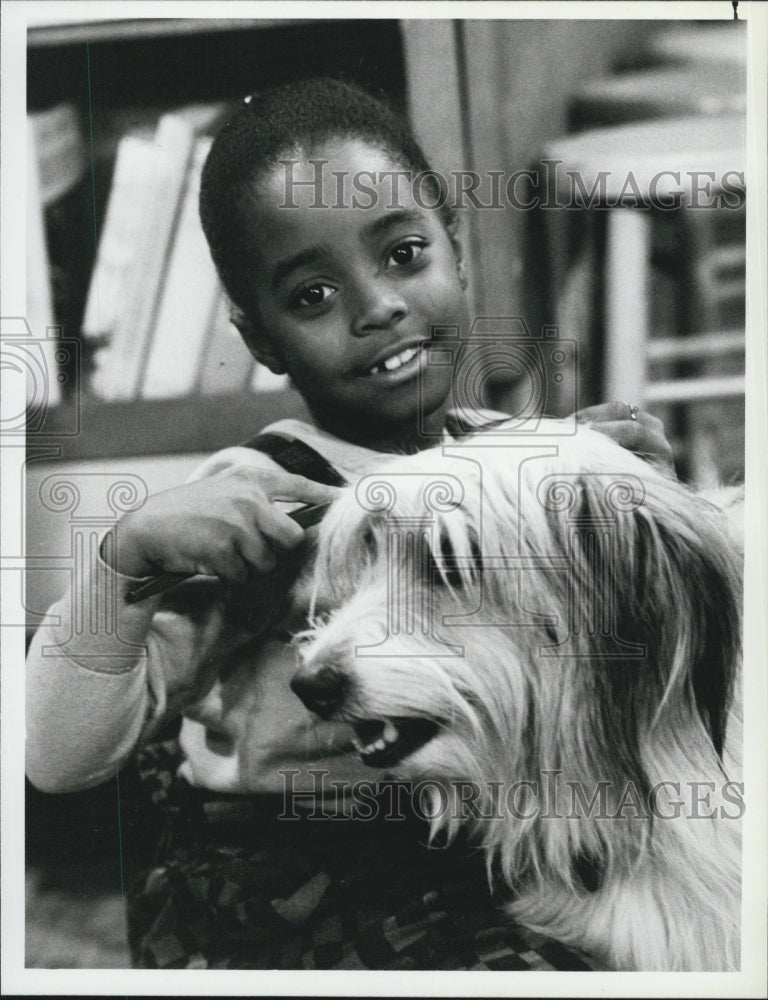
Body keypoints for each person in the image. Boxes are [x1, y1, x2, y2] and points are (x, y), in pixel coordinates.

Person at [26, 78, 672, 970]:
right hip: (295, 885)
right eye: (313, 296)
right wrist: (121, 562)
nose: (376, 307)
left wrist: (633, 507)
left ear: (459, 255)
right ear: (261, 344)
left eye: (405, 254)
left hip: (485, 846)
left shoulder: (516, 462)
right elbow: (58, 759)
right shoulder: (256, 500)